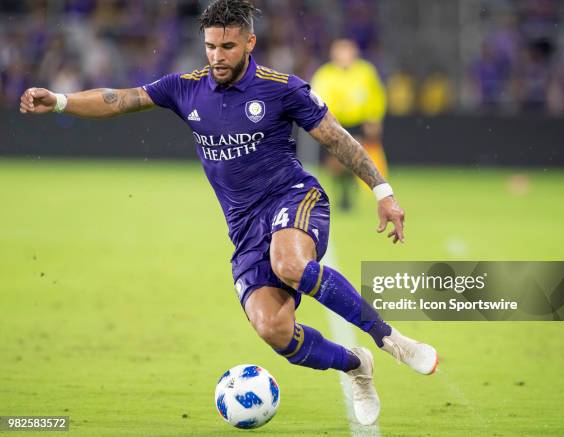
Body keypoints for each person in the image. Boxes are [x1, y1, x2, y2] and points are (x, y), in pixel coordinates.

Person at [19, 0, 437, 426]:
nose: (218, 56)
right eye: (211, 46)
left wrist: (383, 191)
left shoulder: (281, 87)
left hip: (292, 197)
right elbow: (120, 99)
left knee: (290, 262)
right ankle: (355, 365)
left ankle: (390, 339)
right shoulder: (186, 87)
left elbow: (336, 138)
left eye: (228, 46)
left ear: (250, 43)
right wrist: (59, 101)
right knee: (273, 330)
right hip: (244, 227)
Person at [311, 38, 388, 209]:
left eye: (348, 52)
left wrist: (373, 117)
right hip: (332, 124)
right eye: (340, 52)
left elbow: (376, 95)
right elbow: (317, 97)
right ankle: (342, 190)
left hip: (357, 122)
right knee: (335, 164)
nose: (344, 56)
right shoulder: (326, 74)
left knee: (354, 158)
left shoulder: (365, 71)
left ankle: (350, 192)